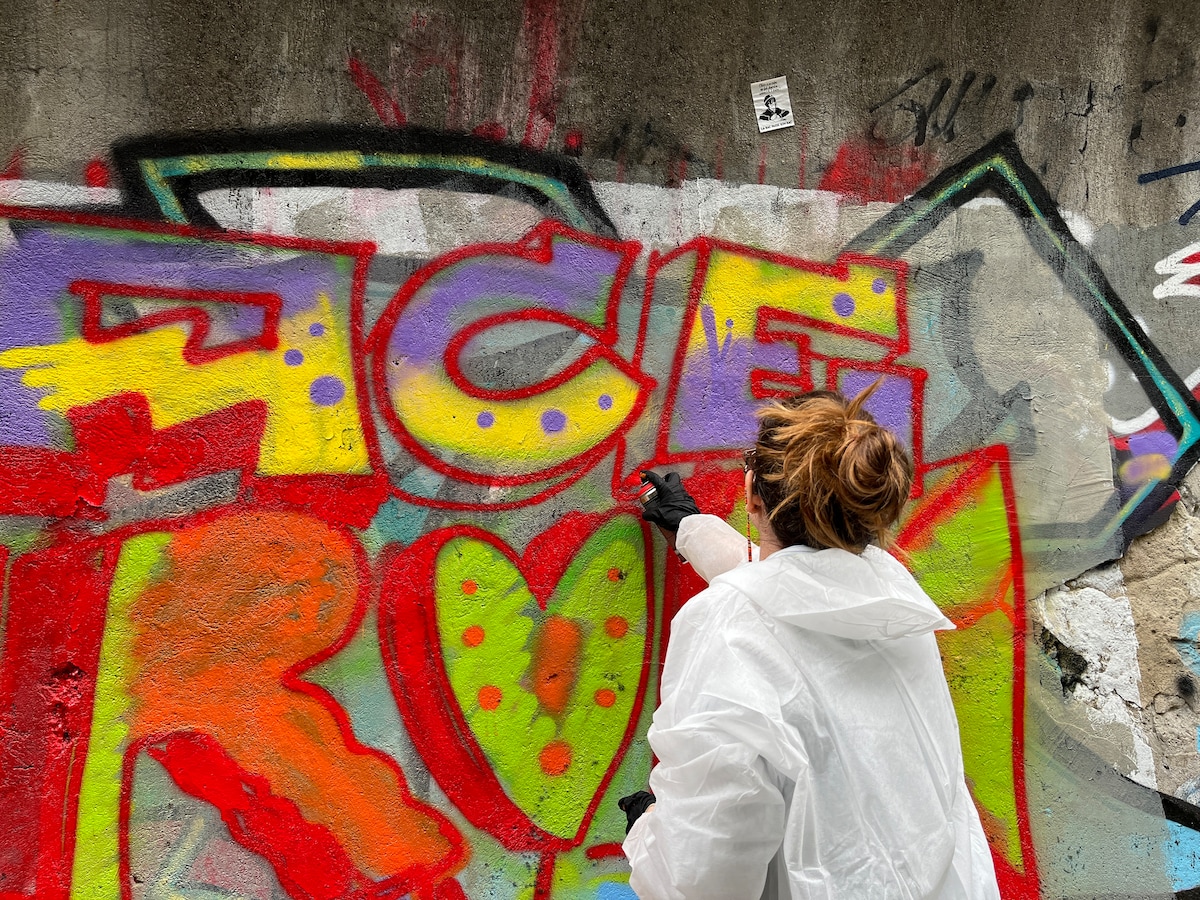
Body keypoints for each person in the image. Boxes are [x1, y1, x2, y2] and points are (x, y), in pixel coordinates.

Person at [621, 386, 1000, 900]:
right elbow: (797, 592)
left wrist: (647, 835)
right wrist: (691, 528)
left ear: (754, 495)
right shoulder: (890, 598)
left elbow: (704, 876)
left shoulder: (728, 627)